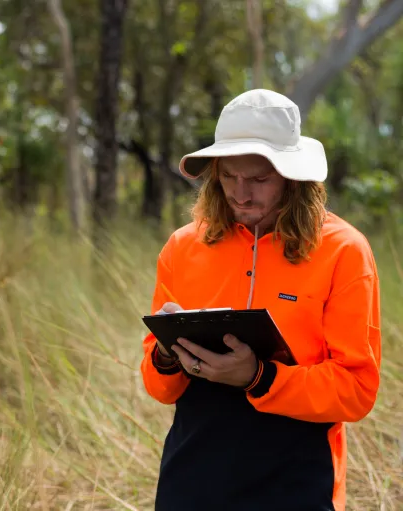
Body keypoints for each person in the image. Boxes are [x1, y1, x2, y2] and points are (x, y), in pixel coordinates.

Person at [140, 89, 381, 511]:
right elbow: (159, 388)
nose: (241, 194)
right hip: (192, 477)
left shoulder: (344, 250)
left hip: (297, 480)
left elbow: (357, 391)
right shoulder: (182, 246)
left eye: (259, 179)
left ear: (293, 177)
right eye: (229, 176)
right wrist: (165, 354)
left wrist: (259, 376)